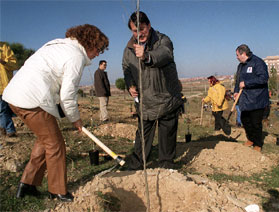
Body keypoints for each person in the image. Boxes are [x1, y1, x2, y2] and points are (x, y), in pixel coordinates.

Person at [3, 24, 109, 201]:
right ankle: (57, 191)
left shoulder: (58, 45)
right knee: (56, 144)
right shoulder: (75, 56)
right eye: (98, 49)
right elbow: (67, 95)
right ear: (90, 43)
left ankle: (27, 184)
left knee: (45, 141)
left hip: (15, 94)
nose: (98, 54)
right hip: (32, 98)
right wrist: (76, 119)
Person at [122, 11, 183, 170]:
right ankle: (137, 164)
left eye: (142, 29)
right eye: (135, 30)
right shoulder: (129, 49)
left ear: (148, 25)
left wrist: (147, 56)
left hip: (166, 98)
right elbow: (126, 68)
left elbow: (165, 54)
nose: (139, 33)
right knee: (142, 136)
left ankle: (166, 165)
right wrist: (130, 85)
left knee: (167, 135)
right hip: (145, 101)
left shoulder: (163, 40)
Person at [234, 44, 269, 152]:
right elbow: (238, 81)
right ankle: (251, 139)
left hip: (257, 99)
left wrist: (247, 83)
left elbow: (263, 79)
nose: (236, 57)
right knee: (245, 120)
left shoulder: (258, 62)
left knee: (256, 123)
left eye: (237, 55)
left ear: (243, 54)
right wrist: (236, 92)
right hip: (245, 100)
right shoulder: (240, 66)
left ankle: (258, 144)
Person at [0, 42, 18, 137]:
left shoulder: (4, 47)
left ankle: (9, 130)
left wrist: (3, 61)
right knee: (2, 110)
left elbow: (15, 65)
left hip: (5, 86)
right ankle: (5, 130)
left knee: (2, 110)